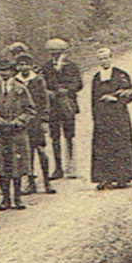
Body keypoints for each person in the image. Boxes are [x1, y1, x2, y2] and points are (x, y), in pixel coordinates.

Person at [0, 56, 37, 210]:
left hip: (17, 133)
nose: (4, 73)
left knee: (17, 166)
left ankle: (17, 198)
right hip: (1, 134)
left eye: (7, 70)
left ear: (12, 71)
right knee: (3, 167)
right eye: (1, 70)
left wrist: (18, 122)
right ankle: (5, 199)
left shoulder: (21, 89)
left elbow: (30, 110)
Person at [90, 48, 132, 189]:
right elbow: (93, 100)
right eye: (100, 59)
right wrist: (95, 117)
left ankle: (123, 177)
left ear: (111, 58)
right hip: (102, 117)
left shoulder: (121, 74)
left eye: (106, 58)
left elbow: (131, 93)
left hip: (118, 116)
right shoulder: (96, 78)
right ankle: (105, 178)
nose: (103, 61)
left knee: (120, 145)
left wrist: (115, 98)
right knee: (103, 147)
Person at [44, 38, 84, 178]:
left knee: (69, 136)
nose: (55, 56)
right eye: (52, 53)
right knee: (54, 137)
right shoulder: (46, 67)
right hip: (53, 106)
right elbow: (43, 84)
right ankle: (58, 168)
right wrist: (49, 93)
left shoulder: (71, 66)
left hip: (68, 105)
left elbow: (78, 84)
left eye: (58, 53)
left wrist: (67, 90)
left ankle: (71, 167)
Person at [14, 54, 54, 194]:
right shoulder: (16, 81)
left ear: (31, 65)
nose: (23, 67)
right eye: (21, 65)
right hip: (24, 122)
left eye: (26, 64)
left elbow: (45, 101)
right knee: (27, 153)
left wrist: (44, 120)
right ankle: (31, 183)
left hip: (36, 121)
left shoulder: (38, 80)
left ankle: (47, 182)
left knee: (41, 151)